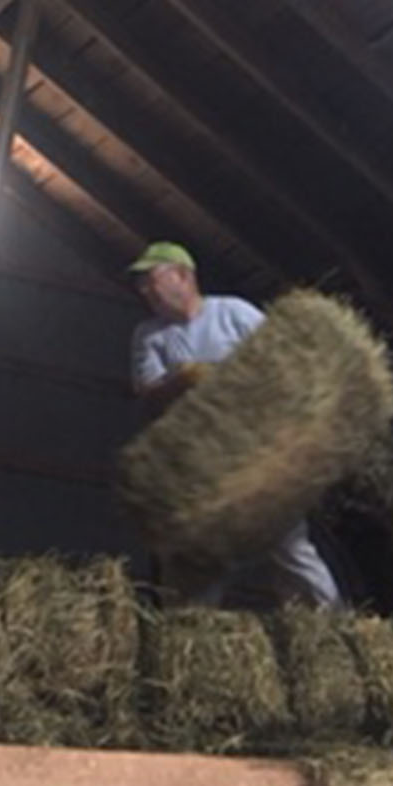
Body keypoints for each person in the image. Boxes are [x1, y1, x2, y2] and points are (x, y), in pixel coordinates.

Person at [128, 241, 343, 609]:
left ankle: (335, 626)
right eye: (141, 286)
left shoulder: (233, 313)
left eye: (151, 280)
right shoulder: (150, 336)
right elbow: (148, 395)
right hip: (199, 462)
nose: (146, 291)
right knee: (199, 553)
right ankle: (189, 636)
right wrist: (184, 380)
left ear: (183, 276)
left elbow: (283, 362)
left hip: (258, 450)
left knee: (289, 547)